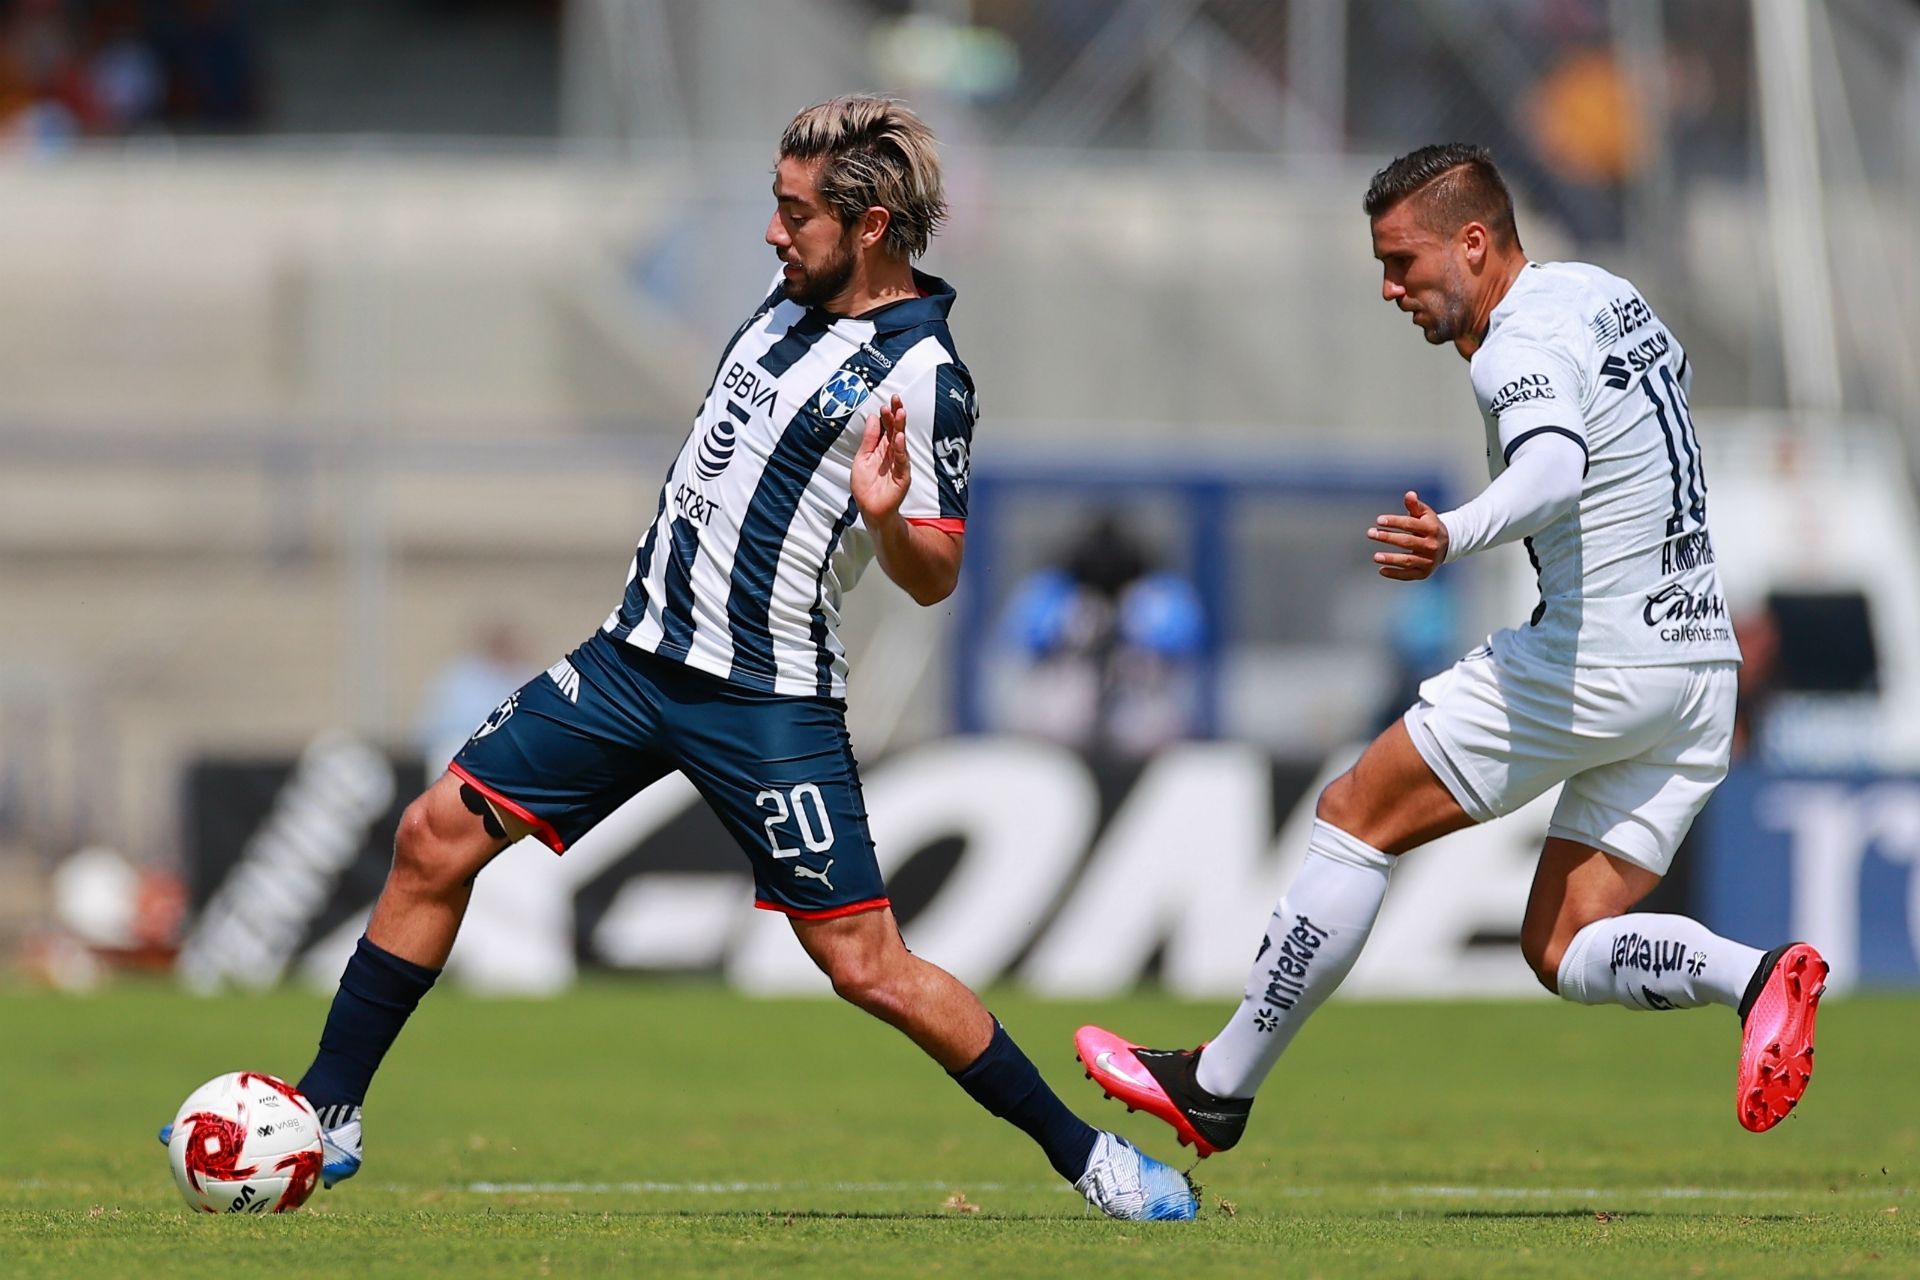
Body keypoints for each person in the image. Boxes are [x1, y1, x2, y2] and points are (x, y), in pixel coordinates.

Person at [158, 96, 1194, 1222]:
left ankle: (1087, 1156)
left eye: (795, 212)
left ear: (874, 225)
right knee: (432, 834)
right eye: (774, 203)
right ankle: (329, 1113)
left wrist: (890, 517)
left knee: (866, 965)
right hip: (633, 657)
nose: (771, 231)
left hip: (765, 699)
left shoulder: (925, 375)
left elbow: (936, 570)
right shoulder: (782, 300)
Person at [1077, 143, 1826, 1157]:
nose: (1391, 289)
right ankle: (1757, 975)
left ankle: (1218, 1086)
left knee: (1352, 815)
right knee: (1559, 943)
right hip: (1696, 668)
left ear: (1474, 243)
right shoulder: (1603, 292)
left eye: (1403, 262)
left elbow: (1555, 468)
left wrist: (1455, 531)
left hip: (1595, 658)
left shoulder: (1519, 346)